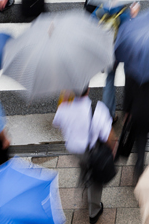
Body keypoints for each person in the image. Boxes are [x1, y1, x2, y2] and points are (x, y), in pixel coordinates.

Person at [52, 87, 117, 224]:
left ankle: (84, 178)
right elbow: (108, 136)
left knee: (84, 165)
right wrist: (112, 149)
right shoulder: (97, 109)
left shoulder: (64, 108)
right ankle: (94, 211)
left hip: (74, 151)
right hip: (91, 151)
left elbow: (56, 123)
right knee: (96, 180)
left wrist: (64, 100)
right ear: (87, 89)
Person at [96, 2, 140, 120]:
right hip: (124, 51)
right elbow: (133, 31)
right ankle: (128, 112)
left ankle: (109, 115)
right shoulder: (124, 14)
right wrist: (134, 16)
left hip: (109, 52)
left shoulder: (100, 10)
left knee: (109, 79)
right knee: (129, 78)